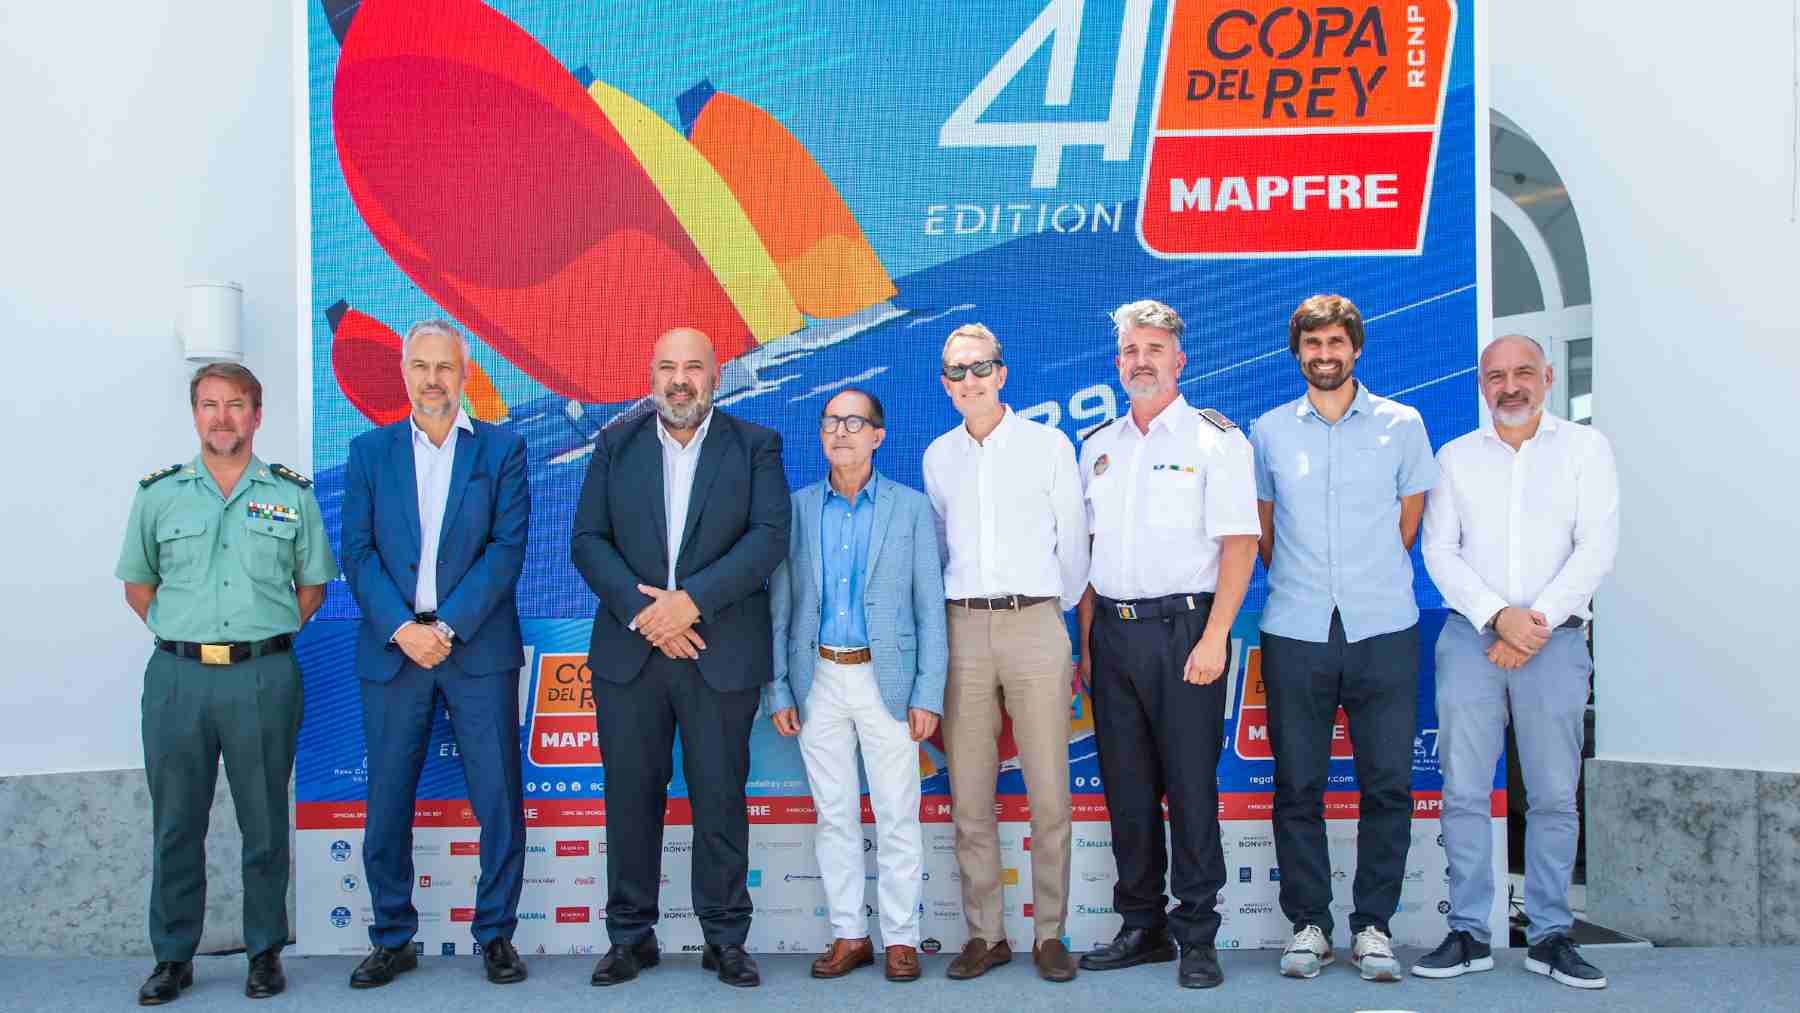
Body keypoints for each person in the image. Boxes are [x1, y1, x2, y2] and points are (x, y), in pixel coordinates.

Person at [571, 327, 790, 989]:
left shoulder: (755, 445)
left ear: (715, 375)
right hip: (631, 652)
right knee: (630, 798)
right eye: (667, 366)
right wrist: (650, 615)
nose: (679, 379)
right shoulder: (615, 444)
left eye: (692, 367)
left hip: (717, 650)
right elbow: (587, 540)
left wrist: (689, 603)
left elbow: (768, 538)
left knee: (720, 798)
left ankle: (726, 937)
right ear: (651, 374)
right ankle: (630, 937)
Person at [117, 363, 337, 1004]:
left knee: (264, 821)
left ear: (256, 415)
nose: (221, 418)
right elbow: (139, 585)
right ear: (195, 414)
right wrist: (189, 637)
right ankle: (173, 957)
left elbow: (312, 588)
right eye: (209, 405)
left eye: (235, 405)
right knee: (177, 823)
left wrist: (255, 638)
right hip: (178, 679)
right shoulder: (159, 496)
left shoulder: (292, 495)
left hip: (262, 677)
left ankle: (265, 952)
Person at [1414, 334, 1618, 989]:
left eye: (1523, 371)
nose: (1510, 385)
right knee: (1465, 793)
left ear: (1548, 377)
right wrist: (1497, 616)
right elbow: (1439, 551)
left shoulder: (1587, 450)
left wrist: (1533, 623)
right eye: (1497, 375)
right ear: (1482, 384)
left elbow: (1596, 547)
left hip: (1554, 641)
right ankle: (1471, 930)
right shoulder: (1455, 458)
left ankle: (1551, 933)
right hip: (1471, 639)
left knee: (1555, 795)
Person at [1247, 294, 1438, 982]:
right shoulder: (1267, 431)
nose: (1324, 355)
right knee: (1297, 785)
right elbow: (1265, 533)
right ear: (1297, 352)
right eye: (1312, 344)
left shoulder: (1402, 424)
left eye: (1335, 343)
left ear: (1356, 349)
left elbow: (1409, 525)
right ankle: (1310, 925)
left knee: (1386, 783)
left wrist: (1362, 582)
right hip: (1296, 628)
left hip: (1383, 627)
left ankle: (1374, 926)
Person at [338, 320, 531, 988]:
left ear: (464, 372)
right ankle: (392, 936)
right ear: (402, 372)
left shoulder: (503, 450)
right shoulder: (368, 452)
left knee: (499, 798)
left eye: (443, 367)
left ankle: (496, 934)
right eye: (419, 366)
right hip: (395, 651)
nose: (431, 380)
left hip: (474, 648)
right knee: (387, 799)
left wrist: (445, 627)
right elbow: (356, 555)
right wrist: (403, 626)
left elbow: (507, 550)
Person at [1074, 300, 1259, 989]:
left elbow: (1240, 545)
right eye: (1130, 350)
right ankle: (1141, 924)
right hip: (1113, 636)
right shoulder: (1096, 446)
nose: (1142, 360)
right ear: (1117, 363)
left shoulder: (1217, 441)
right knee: (1127, 788)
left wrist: (1216, 638)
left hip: (1188, 633)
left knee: (1189, 787)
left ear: (1180, 359)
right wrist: (1089, 644)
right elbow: (1088, 556)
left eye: (1155, 348)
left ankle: (1198, 932)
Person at [921, 323, 1089, 983]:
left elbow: (1073, 546)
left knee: (1050, 789)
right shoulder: (938, 457)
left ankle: (1050, 933)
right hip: (962, 630)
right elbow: (940, 547)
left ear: (1003, 372)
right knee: (969, 795)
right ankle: (984, 934)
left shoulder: (1049, 445)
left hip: (1036, 623)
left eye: (982, 367)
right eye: (958, 371)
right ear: (946, 383)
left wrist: (1052, 610)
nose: (971, 380)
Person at [766, 388, 948, 984]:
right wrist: (780, 689)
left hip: (887, 680)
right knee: (834, 815)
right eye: (830, 423)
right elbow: (781, 606)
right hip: (817, 678)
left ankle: (900, 938)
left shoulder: (911, 509)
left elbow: (930, 609)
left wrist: (927, 692)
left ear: (879, 435)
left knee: (898, 814)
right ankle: (849, 935)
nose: (840, 432)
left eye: (854, 423)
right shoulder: (795, 510)